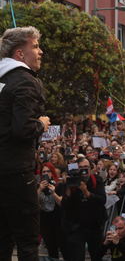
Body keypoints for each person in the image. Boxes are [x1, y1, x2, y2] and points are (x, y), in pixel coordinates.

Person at [0, 26, 50, 260]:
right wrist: (41, 123)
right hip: (17, 175)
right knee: (28, 241)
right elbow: (23, 130)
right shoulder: (25, 81)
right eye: (36, 46)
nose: (41, 52)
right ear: (20, 54)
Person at [61, 157, 107, 261]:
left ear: (91, 168)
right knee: (77, 257)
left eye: (86, 167)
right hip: (76, 227)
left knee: (96, 256)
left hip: (94, 226)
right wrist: (68, 187)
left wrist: (87, 193)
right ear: (76, 169)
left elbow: (102, 200)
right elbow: (65, 206)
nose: (83, 170)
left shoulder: (96, 180)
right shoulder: (72, 181)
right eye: (80, 167)